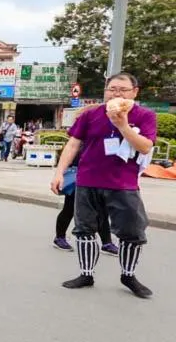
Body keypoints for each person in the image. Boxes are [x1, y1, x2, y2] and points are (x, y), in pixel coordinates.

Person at [51, 72, 156, 298]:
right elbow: (72, 145)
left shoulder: (145, 115)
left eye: (122, 90)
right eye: (112, 89)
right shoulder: (91, 115)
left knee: (132, 232)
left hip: (124, 184)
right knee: (84, 229)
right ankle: (86, 274)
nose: (116, 94)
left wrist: (123, 126)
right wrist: (59, 173)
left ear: (134, 93)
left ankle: (128, 275)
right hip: (87, 181)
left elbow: (145, 147)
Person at [53, 146, 118, 255]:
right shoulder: (81, 137)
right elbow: (71, 151)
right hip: (79, 176)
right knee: (70, 208)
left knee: (102, 211)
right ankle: (59, 237)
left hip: (99, 176)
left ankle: (106, 243)